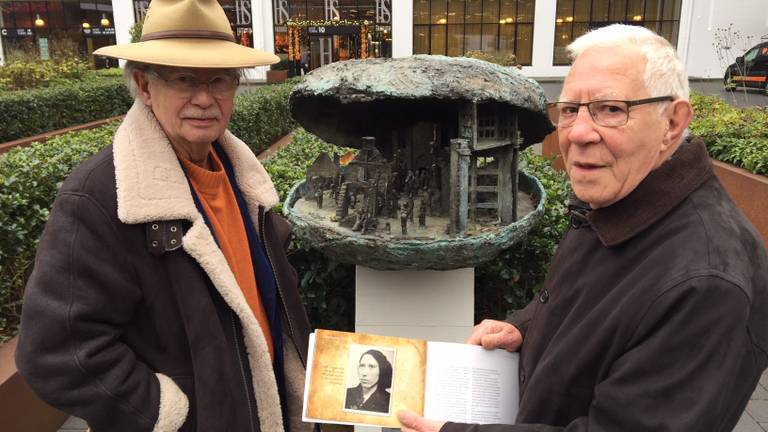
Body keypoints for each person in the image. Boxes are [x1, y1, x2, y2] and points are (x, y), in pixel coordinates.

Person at [399, 24, 768, 432]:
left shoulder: (706, 284)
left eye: (612, 109)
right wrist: (525, 328)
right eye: (570, 109)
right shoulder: (617, 197)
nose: (578, 133)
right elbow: (592, 312)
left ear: (673, 124)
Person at [14, 1, 313, 431]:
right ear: (144, 84)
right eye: (184, 79)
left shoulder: (236, 172)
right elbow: (57, 354)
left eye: (220, 81)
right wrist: (167, 413)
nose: (205, 99)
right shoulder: (99, 196)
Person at [345, 349, 393, 414]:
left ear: (381, 371)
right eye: (362, 366)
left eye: (371, 366)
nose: (364, 373)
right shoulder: (347, 394)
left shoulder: (389, 401)